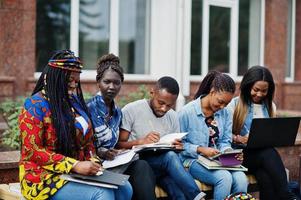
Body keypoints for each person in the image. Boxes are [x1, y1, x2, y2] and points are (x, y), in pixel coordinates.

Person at [18, 50, 132, 200]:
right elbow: (33, 150)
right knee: (102, 194)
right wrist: (74, 165)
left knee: (125, 188)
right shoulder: (34, 105)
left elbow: (88, 142)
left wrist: (93, 162)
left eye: (76, 81)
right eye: (69, 80)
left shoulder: (75, 103)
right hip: (42, 177)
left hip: (76, 172)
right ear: (55, 77)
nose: (73, 84)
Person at [117, 76, 206, 200]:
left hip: (162, 167)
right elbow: (119, 144)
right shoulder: (132, 109)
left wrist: (177, 147)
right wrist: (141, 141)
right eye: (161, 103)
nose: (164, 109)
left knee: (179, 195)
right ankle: (198, 197)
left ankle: (196, 197)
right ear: (152, 93)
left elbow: (175, 150)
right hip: (138, 164)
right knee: (170, 157)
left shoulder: (173, 116)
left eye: (169, 105)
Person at [87, 53, 157, 200]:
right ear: (98, 82)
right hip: (93, 165)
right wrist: (102, 152)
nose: (111, 87)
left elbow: (115, 143)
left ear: (121, 83)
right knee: (133, 181)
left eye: (116, 82)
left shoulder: (118, 112)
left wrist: (118, 152)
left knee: (142, 166)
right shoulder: (88, 109)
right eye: (107, 82)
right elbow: (83, 146)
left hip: (113, 163)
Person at [227, 65, 297, 200]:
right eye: (256, 90)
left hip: (260, 160)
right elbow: (222, 135)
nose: (259, 94)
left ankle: (285, 194)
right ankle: (287, 195)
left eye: (264, 91)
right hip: (238, 157)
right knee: (268, 152)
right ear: (248, 86)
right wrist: (238, 138)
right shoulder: (234, 105)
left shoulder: (270, 106)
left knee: (266, 178)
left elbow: (271, 134)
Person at [178, 71, 248, 200]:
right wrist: (200, 149)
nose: (222, 107)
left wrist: (231, 154)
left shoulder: (225, 113)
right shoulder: (186, 113)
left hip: (218, 161)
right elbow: (179, 146)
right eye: (220, 102)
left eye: (226, 104)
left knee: (241, 179)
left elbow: (225, 141)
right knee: (224, 178)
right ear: (212, 91)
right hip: (192, 160)